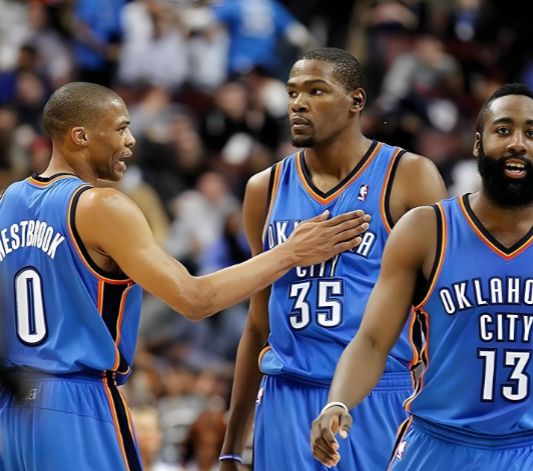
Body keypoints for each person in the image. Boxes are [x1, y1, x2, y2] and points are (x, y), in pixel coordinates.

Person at [0, 81, 370, 471]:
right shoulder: (100, 205)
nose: (130, 140)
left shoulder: (8, 202)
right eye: (121, 128)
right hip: (75, 404)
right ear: (80, 136)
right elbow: (195, 299)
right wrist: (290, 252)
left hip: (11, 409)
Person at [311, 83, 533, 470]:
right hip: (439, 444)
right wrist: (338, 402)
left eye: (532, 133)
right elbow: (372, 341)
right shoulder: (426, 229)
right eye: (503, 130)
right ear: (477, 144)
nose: (518, 143)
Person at [220, 48, 446, 470]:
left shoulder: (410, 176)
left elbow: (442, 313)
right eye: (292, 92)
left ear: (356, 101)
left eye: (316, 91)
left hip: (377, 396)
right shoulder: (264, 188)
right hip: (284, 395)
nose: (298, 103)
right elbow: (256, 324)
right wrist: (232, 445)